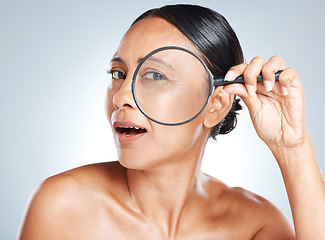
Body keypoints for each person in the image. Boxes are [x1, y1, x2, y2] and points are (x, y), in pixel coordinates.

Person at [18, 4, 325, 239]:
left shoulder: (255, 227)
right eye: (118, 74)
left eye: (155, 75)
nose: (121, 96)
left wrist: (292, 148)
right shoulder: (63, 207)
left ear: (215, 105)